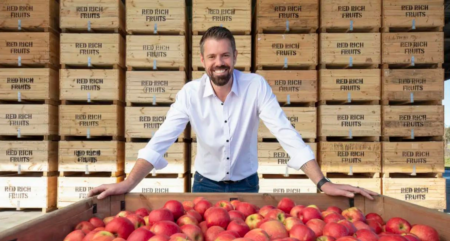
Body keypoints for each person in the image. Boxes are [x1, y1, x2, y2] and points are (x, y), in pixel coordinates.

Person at [88, 26, 377, 200]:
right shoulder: (190, 93)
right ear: (202, 61)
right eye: (212, 57)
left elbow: (285, 133)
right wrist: (128, 183)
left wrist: (322, 182)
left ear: (235, 57)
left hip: (247, 186)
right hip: (203, 186)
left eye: (225, 55)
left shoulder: (255, 86)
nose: (219, 62)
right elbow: (161, 141)